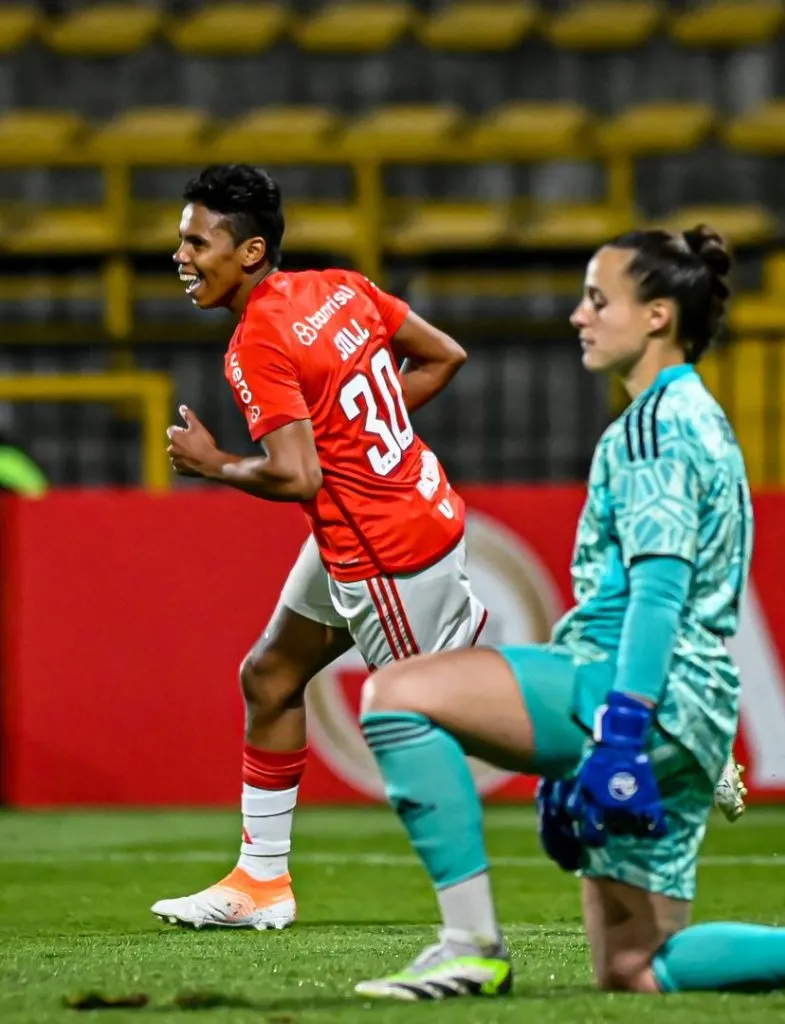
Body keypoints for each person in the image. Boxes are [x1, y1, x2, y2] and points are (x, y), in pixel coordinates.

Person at [348, 225, 785, 1001]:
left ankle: (468, 945)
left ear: (657, 317)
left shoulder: (654, 426)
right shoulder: (700, 417)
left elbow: (657, 590)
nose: (579, 316)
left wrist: (619, 726)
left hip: (637, 684)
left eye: (597, 298)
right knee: (637, 967)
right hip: (699, 705)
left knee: (395, 697)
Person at [150, 163, 487, 931]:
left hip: (388, 555)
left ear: (251, 250)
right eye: (181, 240)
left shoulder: (255, 342)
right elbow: (444, 356)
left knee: (429, 729)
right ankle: (260, 881)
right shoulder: (342, 286)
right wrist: (363, 441)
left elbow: (297, 477)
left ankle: (637, 744)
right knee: (270, 675)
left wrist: (214, 465)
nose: (182, 256)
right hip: (383, 517)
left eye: (197, 241)